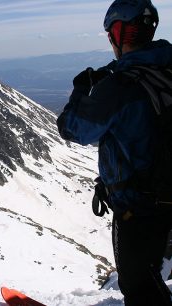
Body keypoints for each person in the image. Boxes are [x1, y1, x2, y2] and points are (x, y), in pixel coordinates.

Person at [57, 0, 172, 305]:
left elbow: (72, 128)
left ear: (119, 33)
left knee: (139, 289)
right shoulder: (164, 68)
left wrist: (81, 91)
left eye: (111, 34)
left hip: (139, 209)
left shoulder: (119, 88)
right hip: (167, 195)